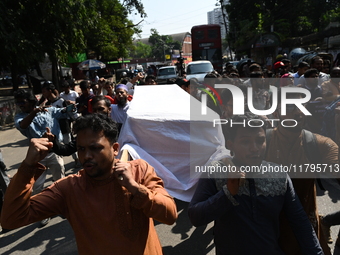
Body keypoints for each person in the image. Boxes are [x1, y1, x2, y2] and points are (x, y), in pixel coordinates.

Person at [1, 114, 177, 254]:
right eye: (81, 149)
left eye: (95, 148)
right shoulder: (68, 188)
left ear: (115, 148)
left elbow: (170, 215)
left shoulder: (139, 170)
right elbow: (11, 219)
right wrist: (27, 167)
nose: (86, 156)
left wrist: (135, 188)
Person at [188, 113, 323, 255]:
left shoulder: (278, 175)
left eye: (260, 141)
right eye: (245, 142)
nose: (254, 148)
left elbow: (300, 222)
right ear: (230, 144)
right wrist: (227, 193)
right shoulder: (216, 171)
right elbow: (195, 216)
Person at [265, 90, 338, 254]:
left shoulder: (319, 144)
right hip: (269, 233)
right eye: (290, 107)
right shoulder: (262, 143)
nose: (297, 112)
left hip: (306, 232)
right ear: (276, 112)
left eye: (301, 106)